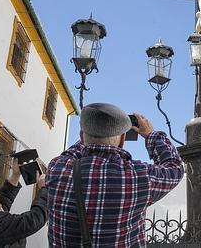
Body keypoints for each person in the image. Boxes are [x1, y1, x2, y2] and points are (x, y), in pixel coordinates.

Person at [46, 102, 184, 247]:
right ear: (122, 139)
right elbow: (175, 167)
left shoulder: (57, 169)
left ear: (82, 136)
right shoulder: (139, 176)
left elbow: (69, 154)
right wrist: (151, 135)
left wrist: (93, 130)